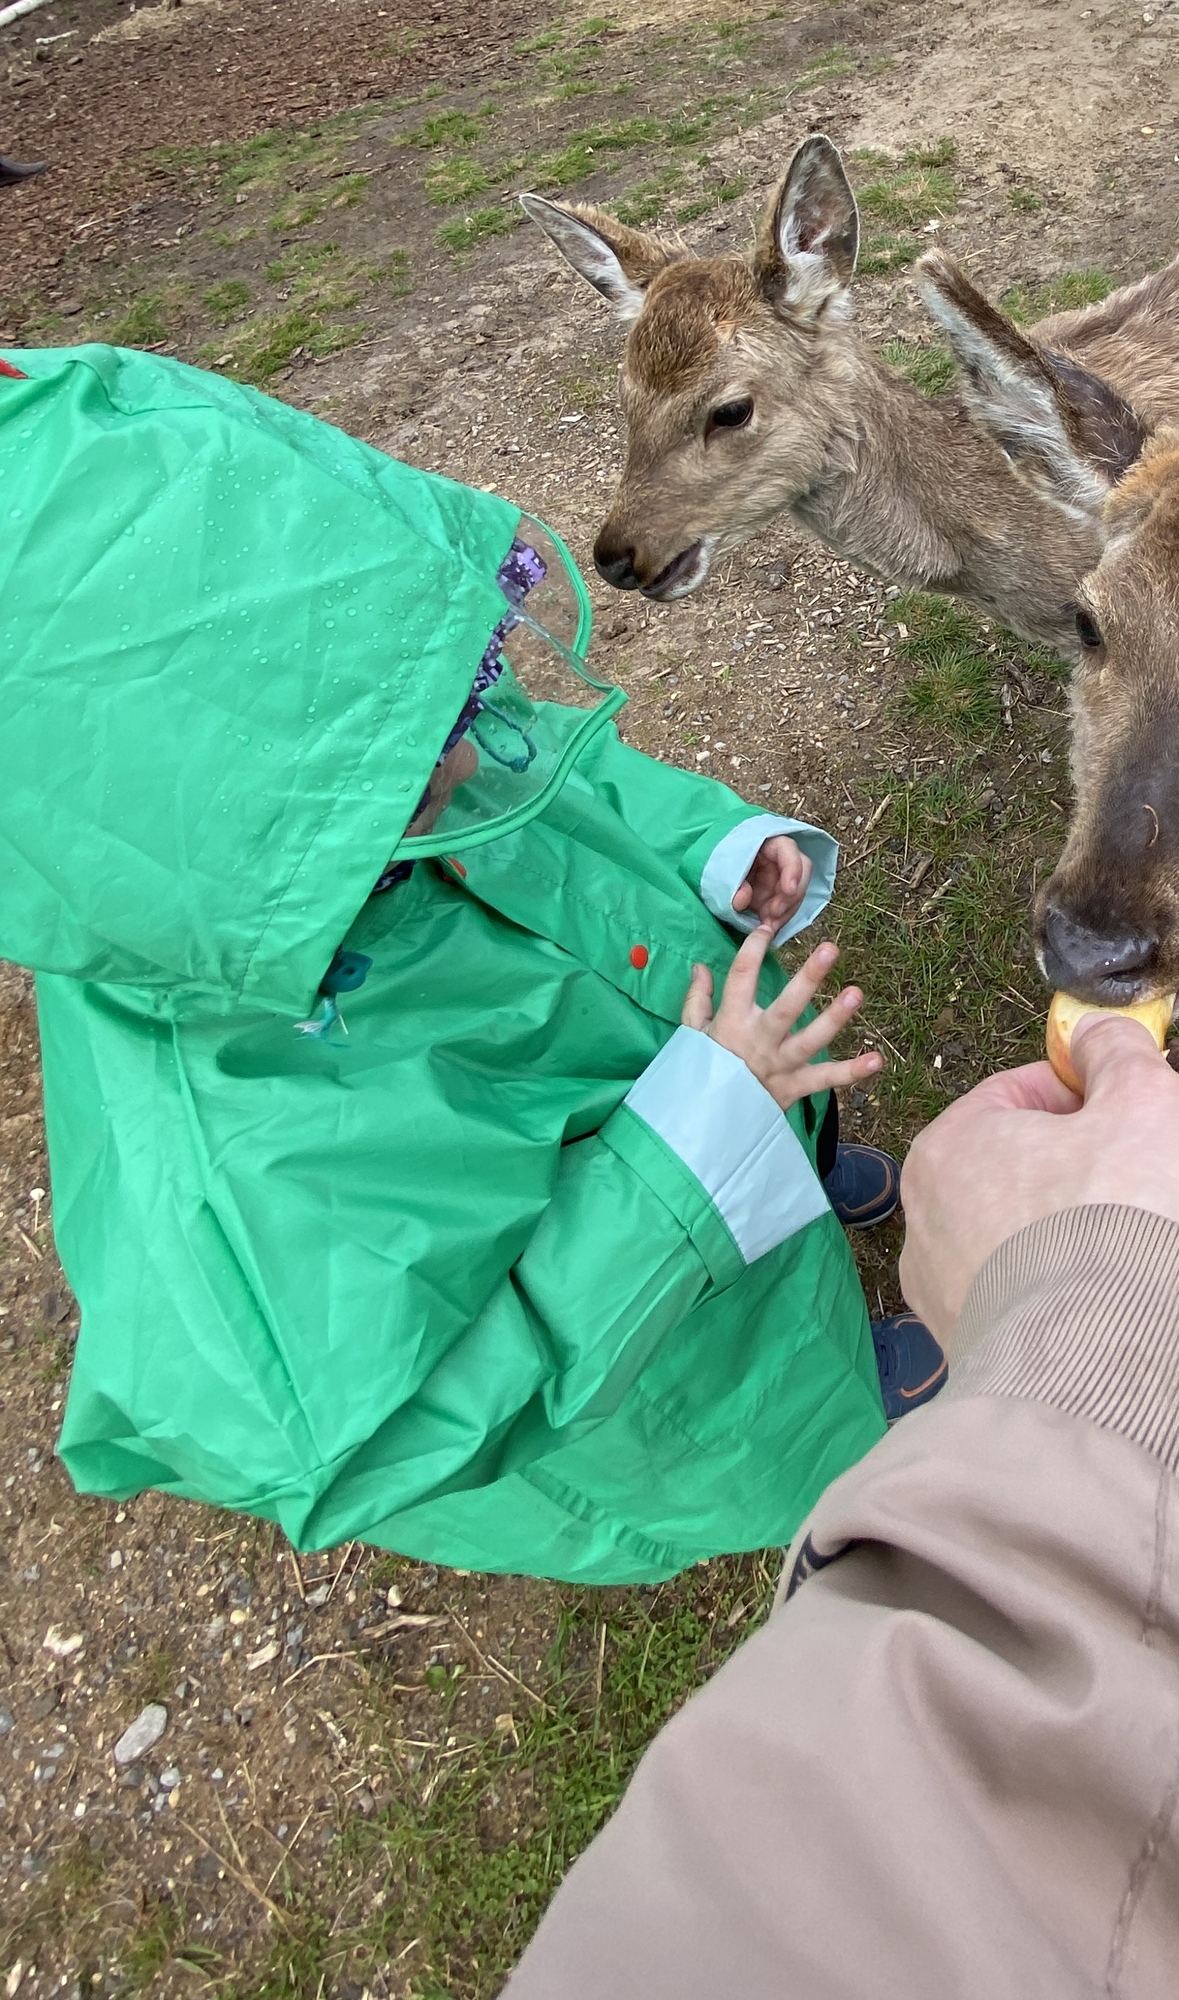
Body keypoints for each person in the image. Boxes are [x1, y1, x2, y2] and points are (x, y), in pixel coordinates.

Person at [0, 341, 941, 1589]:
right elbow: (385, 1430)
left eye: (450, 689)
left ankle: (801, 1194)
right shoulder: (229, 1167)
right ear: (233, 833)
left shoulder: (378, 755)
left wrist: (716, 844)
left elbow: (545, 759)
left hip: (703, 1067)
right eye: (399, 762)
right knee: (745, 1371)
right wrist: (688, 1147)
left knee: (771, 1181)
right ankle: (831, 1425)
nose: (465, 749)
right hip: (652, 1354)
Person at [504, 1013, 1179, 2000]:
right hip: (665, 1407)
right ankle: (831, 1394)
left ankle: (840, 1350)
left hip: (714, 1147)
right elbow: (1119, 1847)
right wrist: (1105, 1295)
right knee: (796, 1451)